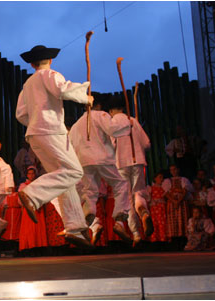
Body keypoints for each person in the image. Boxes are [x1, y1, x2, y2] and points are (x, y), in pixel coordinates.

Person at [15, 45, 94, 249]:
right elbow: (63, 89)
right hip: (51, 131)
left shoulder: (28, 83)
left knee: (63, 179)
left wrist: (35, 121)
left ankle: (75, 226)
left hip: (35, 134)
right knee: (74, 172)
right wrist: (86, 98)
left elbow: (20, 114)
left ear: (32, 64)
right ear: (50, 60)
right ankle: (33, 194)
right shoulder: (50, 74)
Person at [69, 93, 131, 244]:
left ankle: (87, 215)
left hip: (84, 161)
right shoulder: (99, 115)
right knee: (120, 184)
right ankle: (119, 219)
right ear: (98, 104)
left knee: (90, 191)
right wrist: (122, 117)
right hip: (102, 158)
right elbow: (114, 129)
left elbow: (70, 145)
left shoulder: (77, 124)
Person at [109, 96, 154, 243]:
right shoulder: (132, 121)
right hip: (138, 161)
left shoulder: (112, 123)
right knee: (139, 193)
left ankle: (136, 234)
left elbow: (111, 146)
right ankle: (144, 214)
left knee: (126, 199)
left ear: (111, 110)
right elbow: (147, 143)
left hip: (121, 164)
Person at [162, 164, 193, 249]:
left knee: (183, 220)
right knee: (173, 221)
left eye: (174, 169)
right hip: (172, 203)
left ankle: (183, 241)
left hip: (182, 203)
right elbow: (166, 193)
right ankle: (174, 242)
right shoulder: (167, 181)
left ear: (178, 170)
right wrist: (174, 201)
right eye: (171, 170)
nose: (173, 171)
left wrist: (178, 201)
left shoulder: (184, 179)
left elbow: (185, 191)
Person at [147, 172, 168, 243]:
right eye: (159, 177)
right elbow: (148, 198)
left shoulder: (164, 188)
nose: (161, 179)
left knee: (163, 223)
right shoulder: (151, 188)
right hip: (154, 209)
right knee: (155, 224)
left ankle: (163, 240)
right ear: (155, 179)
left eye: (162, 177)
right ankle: (155, 240)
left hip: (162, 208)